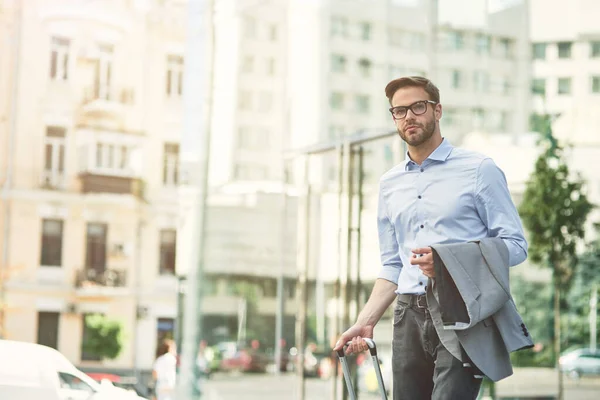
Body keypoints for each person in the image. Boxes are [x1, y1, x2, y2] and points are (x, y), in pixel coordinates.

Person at [333, 76, 528, 400]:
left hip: (462, 311)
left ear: (437, 111)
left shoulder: (479, 169)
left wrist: (452, 263)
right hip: (406, 314)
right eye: (399, 111)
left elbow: (516, 246)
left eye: (418, 107)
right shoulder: (389, 184)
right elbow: (392, 265)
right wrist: (365, 322)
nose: (409, 116)